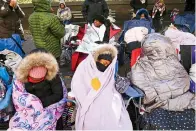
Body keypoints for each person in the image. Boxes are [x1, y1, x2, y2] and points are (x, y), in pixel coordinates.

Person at [70, 44, 133, 130]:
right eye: (103, 62)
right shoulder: (86, 67)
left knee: (113, 112)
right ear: (97, 59)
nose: (105, 65)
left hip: (108, 94)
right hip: (88, 97)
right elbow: (78, 84)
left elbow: (114, 84)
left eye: (108, 64)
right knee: (92, 114)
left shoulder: (110, 70)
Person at [10, 48, 65, 130]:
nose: (35, 81)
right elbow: (18, 96)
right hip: (29, 110)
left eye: (40, 79)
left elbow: (58, 94)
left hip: (50, 107)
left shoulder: (53, 76)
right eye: (32, 78)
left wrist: (39, 104)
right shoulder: (21, 77)